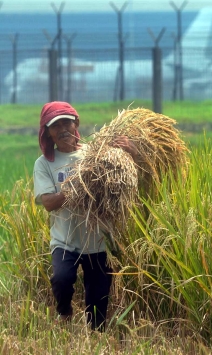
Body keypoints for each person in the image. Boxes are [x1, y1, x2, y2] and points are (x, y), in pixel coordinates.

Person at [33, 101, 137, 331]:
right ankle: (64, 312)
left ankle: (96, 337)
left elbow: (132, 178)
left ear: (76, 123)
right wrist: (77, 188)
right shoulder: (44, 164)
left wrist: (130, 152)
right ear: (47, 133)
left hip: (99, 241)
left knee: (98, 300)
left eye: (66, 123)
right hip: (64, 240)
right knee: (61, 280)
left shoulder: (97, 155)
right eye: (55, 125)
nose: (62, 129)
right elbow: (49, 203)